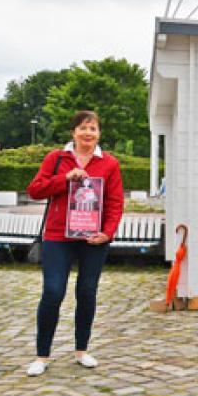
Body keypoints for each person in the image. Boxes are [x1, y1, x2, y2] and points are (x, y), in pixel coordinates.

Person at [25, 110, 124, 376]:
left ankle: (82, 350)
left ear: (99, 134)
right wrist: (64, 179)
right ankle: (42, 355)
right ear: (73, 132)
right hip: (58, 237)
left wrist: (107, 232)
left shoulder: (109, 164)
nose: (88, 133)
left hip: (93, 239)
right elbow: (35, 190)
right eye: (83, 128)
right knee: (53, 292)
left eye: (93, 128)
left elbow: (115, 203)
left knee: (87, 292)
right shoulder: (57, 158)